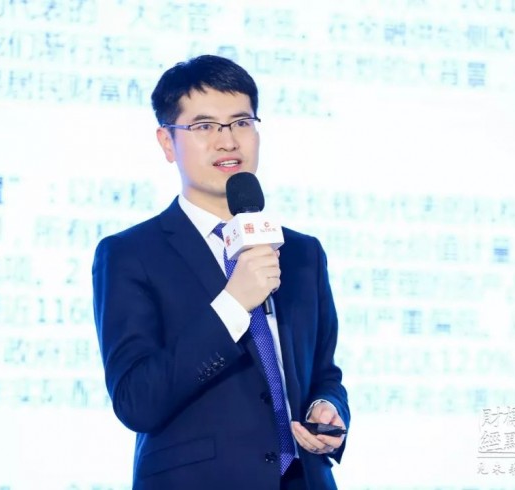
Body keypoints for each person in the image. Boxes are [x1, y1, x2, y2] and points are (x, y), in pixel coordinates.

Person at [92, 54, 350, 490]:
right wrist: (233, 303)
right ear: (167, 142)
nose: (227, 141)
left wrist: (327, 406)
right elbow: (137, 400)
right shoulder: (131, 253)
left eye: (241, 122)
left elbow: (324, 373)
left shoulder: (302, 253)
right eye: (205, 126)